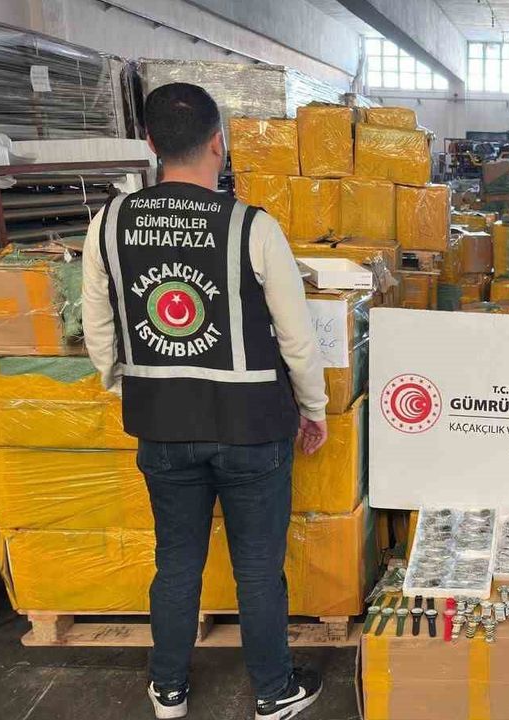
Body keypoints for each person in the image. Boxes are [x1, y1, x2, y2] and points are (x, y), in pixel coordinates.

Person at [82, 83, 329, 720]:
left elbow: (98, 329)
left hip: (162, 425)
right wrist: (314, 407)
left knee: (176, 561)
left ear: (149, 144)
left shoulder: (109, 223)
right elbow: (296, 336)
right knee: (258, 567)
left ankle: (168, 690)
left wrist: (128, 383)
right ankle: (273, 691)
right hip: (253, 428)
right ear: (219, 143)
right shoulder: (252, 226)